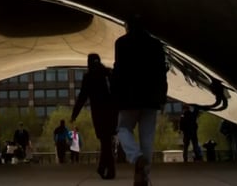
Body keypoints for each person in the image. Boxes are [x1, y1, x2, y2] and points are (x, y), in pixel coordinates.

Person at [112, 15, 168, 186]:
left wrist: (115, 95)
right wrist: (162, 96)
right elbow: (161, 73)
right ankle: (144, 175)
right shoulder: (156, 44)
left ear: (128, 25)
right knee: (147, 137)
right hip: (151, 98)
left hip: (129, 97)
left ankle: (137, 159)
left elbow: (118, 70)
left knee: (123, 128)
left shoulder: (121, 43)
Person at [72, 53, 118, 179]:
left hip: (99, 113)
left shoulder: (89, 77)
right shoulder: (108, 73)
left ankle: (110, 171)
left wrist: (74, 113)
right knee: (106, 141)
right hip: (112, 112)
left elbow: (82, 97)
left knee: (105, 141)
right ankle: (102, 168)